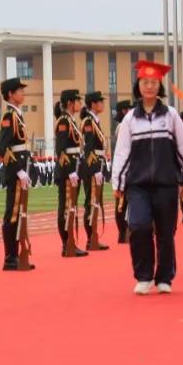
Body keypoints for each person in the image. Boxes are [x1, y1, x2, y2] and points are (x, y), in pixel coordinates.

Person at [112, 61, 183, 295]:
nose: (149, 86)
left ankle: (164, 277)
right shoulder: (130, 119)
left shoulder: (170, 115)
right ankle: (144, 276)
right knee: (139, 226)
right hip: (138, 186)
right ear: (138, 85)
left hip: (166, 184)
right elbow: (122, 153)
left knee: (166, 232)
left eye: (154, 82)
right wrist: (118, 183)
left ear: (159, 85)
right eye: (145, 82)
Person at [0, 77, 34, 271]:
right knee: (12, 213)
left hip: (21, 167)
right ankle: (9, 256)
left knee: (19, 213)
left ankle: (16, 254)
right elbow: (3, 147)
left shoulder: (17, 115)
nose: (23, 93)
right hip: (15, 172)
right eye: (19, 90)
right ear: (10, 94)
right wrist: (18, 170)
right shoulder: (9, 116)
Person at [54, 89, 88, 257]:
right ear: (69, 103)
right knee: (66, 207)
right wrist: (69, 171)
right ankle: (67, 243)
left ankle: (71, 242)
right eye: (77, 100)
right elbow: (60, 150)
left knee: (71, 207)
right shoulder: (64, 121)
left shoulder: (71, 121)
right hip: (68, 170)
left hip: (75, 168)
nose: (80, 104)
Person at [80, 91, 110, 251]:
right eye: (100, 102)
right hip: (92, 166)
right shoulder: (89, 122)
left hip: (98, 163)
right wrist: (94, 169)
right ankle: (91, 239)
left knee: (96, 202)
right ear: (93, 104)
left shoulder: (95, 121)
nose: (102, 104)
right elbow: (89, 148)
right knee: (91, 202)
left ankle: (94, 237)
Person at [112, 99, 134, 244]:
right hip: (126, 168)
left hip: (128, 167)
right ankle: (123, 232)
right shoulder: (122, 127)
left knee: (125, 202)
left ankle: (124, 232)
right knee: (122, 202)